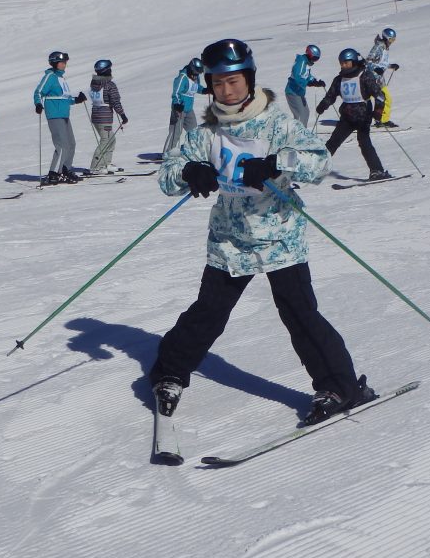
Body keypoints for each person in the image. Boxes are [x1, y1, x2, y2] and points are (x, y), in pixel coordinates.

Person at [150, 37, 376, 426]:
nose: (227, 90)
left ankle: (340, 386)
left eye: (234, 81)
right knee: (208, 313)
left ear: (250, 79)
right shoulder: (207, 131)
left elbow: (318, 163)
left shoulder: (277, 122)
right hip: (229, 239)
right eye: (218, 83)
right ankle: (169, 373)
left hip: (279, 238)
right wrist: (189, 172)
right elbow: (167, 174)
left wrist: (276, 163)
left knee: (300, 313)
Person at [315, 48, 391, 181]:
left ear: (353, 61)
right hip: (347, 117)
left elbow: (379, 95)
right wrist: (323, 105)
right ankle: (315, 168)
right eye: (341, 63)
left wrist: (378, 112)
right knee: (333, 142)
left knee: (364, 143)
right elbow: (331, 95)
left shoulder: (364, 75)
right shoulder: (340, 79)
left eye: (346, 62)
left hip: (363, 116)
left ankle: (377, 171)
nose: (343, 65)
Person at [33, 51, 86, 185]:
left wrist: (77, 100)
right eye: (62, 62)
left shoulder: (61, 78)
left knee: (71, 144)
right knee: (61, 145)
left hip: (64, 114)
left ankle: (65, 169)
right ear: (55, 63)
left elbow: (64, 98)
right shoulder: (50, 76)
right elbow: (38, 92)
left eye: (65, 62)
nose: (64, 65)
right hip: (54, 114)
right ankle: (54, 173)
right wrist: (38, 104)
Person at [88, 59, 128, 174]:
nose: (111, 71)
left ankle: (106, 163)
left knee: (111, 140)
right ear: (106, 71)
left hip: (96, 115)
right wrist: (123, 115)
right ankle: (95, 167)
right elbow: (115, 101)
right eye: (109, 69)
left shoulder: (94, 83)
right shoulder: (110, 85)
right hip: (104, 117)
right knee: (105, 141)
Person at [164, 57, 203, 155]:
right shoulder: (183, 77)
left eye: (198, 74)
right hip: (179, 108)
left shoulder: (195, 77)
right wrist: (177, 104)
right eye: (195, 73)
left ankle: (192, 151)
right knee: (176, 132)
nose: (196, 76)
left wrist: (206, 90)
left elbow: (196, 88)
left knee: (193, 131)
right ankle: (167, 153)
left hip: (189, 109)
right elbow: (176, 93)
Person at [284, 44, 326, 127]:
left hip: (299, 93)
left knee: (306, 113)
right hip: (292, 91)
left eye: (316, 59)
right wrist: (309, 83)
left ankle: (302, 134)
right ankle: (297, 135)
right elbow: (297, 77)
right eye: (314, 59)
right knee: (300, 114)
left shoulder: (306, 63)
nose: (314, 61)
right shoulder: (301, 62)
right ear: (310, 55)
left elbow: (306, 75)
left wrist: (315, 81)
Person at [366, 27, 400, 127]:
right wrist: (376, 68)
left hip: (380, 79)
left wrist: (391, 66)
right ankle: (373, 119)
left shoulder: (385, 47)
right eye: (391, 39)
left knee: (386, 99)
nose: (392, 42)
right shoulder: (378, 46)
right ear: (386, 37)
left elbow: (381, 63)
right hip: (371, 78)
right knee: (374, 99)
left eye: (393, 40)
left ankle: (383, 120)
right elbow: (368, 61)